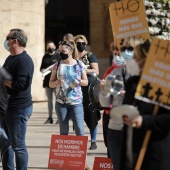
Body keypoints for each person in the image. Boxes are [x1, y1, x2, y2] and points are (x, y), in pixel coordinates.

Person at [99, 36, 144, 170]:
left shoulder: (145, 74)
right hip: (115, 129)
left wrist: (129, 94)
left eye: (130, 48)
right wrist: (104, 91)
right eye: (124, 48)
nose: (126, 52)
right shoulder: (116, 71)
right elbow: (104, 103)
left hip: (136, 129)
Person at [2, 28, 34, 170]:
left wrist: (3, 81)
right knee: (5, 143)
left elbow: (21, 85)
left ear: (15, 41)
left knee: (18, 146)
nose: (6, 41)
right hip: (6, 108)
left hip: (19, 109)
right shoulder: (10, 58)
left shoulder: (24, 61)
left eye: (8, 38)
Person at [49, 40, 88, 136]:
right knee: (63, 131)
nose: (60, 53)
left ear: (70, 51)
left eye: (63, 51)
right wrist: (56, 83)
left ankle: (81, 151)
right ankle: (65, 151)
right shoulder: (57, 66)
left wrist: (79, 82)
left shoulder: (79, 65)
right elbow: (50, 83)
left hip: (76, 102)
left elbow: (86, 82)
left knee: (79, 130)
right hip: (61, 103)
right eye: (59, 51)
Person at [74, 34, 100, 150]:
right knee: (77, 115)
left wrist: (84, 69)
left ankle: (93, 140)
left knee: (91, 114)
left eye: (82, 43)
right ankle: (79, 141)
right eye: (78, 43)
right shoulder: (72, 56)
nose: (80, 45)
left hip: (89, 89)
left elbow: (96, 71)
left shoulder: (90, 55)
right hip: (76, 89)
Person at [40, 40, 60, 124]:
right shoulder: (45, 56)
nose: (50, 48)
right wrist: (44, 70)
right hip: (47, 82)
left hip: (56, 82)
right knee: (49, 101)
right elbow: (41, 68)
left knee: (58, 100)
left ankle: (59, 118)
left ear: (55, 47)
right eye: (48, 47)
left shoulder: (58, 56)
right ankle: (50, 117)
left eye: (51, 47)